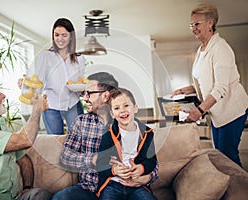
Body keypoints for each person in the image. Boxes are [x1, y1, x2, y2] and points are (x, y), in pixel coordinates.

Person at [52, 72, 158, 200]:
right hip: (90, 188)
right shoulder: (81, 122)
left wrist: (146, 178)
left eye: (89, 93)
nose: (85, 98)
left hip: (127, 186)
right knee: (60, 198)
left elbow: (152, 161)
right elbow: (65, 157)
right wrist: (95, 159)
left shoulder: (128, 122)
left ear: (105, 96)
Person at [172, 3, 248, 167]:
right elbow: (202, 82)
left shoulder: (220, 48)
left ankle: (241, 191)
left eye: (197, 24)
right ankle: (230, 189)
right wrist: (183, 90)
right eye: (191, 25)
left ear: (210, 23)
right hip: (217, 113)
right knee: (220, 155)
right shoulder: (201, 50)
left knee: (227, 156)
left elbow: (220, 87)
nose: (193, 28)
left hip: (232, 110)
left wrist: (199, 111)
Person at [96, 88, 157, 200]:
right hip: (113, 183)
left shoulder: (147, 134)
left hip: (137, 185)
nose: (122, 111)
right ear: (112, 114)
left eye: (126, 105)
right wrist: (114, 170)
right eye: (117, 108)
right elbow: (100, 163)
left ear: (135, 108)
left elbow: (152, 160)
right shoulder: (108, 134)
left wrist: (141, 168)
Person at [33, 18, 85, 135]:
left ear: (71, 36)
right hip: (51, 105)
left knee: (79, 139)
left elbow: (79, 82)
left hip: (73, 103)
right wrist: (28, 85)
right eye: (56, 35)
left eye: (64, 35)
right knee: (54, 142)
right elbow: (38, 81)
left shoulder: (80, 59)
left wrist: (83, 89)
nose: (60, 39)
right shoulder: (46, 56)